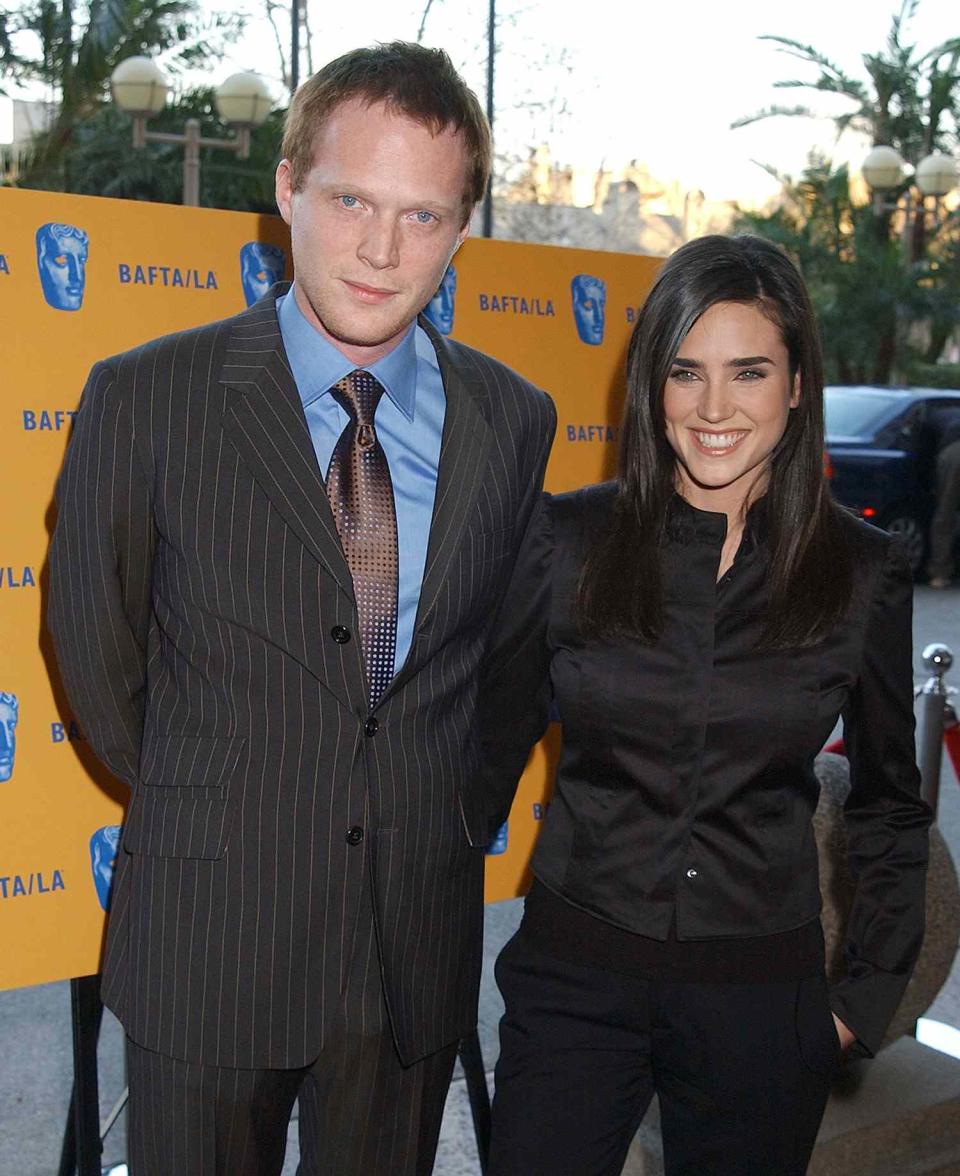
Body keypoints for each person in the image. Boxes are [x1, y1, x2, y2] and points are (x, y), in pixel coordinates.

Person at [48, 41, 555, 1176]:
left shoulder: (513, 418)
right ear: (286, 190)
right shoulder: (147, 397)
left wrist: (428, 808)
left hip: (411, 950)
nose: (382, 249)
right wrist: (223, 790)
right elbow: (96, 653)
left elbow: (511, 672)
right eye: (351, 200)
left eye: (423, 216)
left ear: (463, 227)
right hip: (210, 936)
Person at [481, 235, 931, 1176]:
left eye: (749, 372)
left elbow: (890, 803)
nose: (714, 409)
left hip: (762, 1004)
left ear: (798, 383)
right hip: (575, 983)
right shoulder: (567, 541)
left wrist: (859, 1002)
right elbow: (473, 767)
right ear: (653, 385)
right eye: (686, 371)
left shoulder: (858, 573)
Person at [925, 402, 960, 588]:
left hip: (955, 452)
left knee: (945, 513)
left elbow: (922, 452)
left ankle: (940, 572)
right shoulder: (951, 414)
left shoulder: (929, 418)